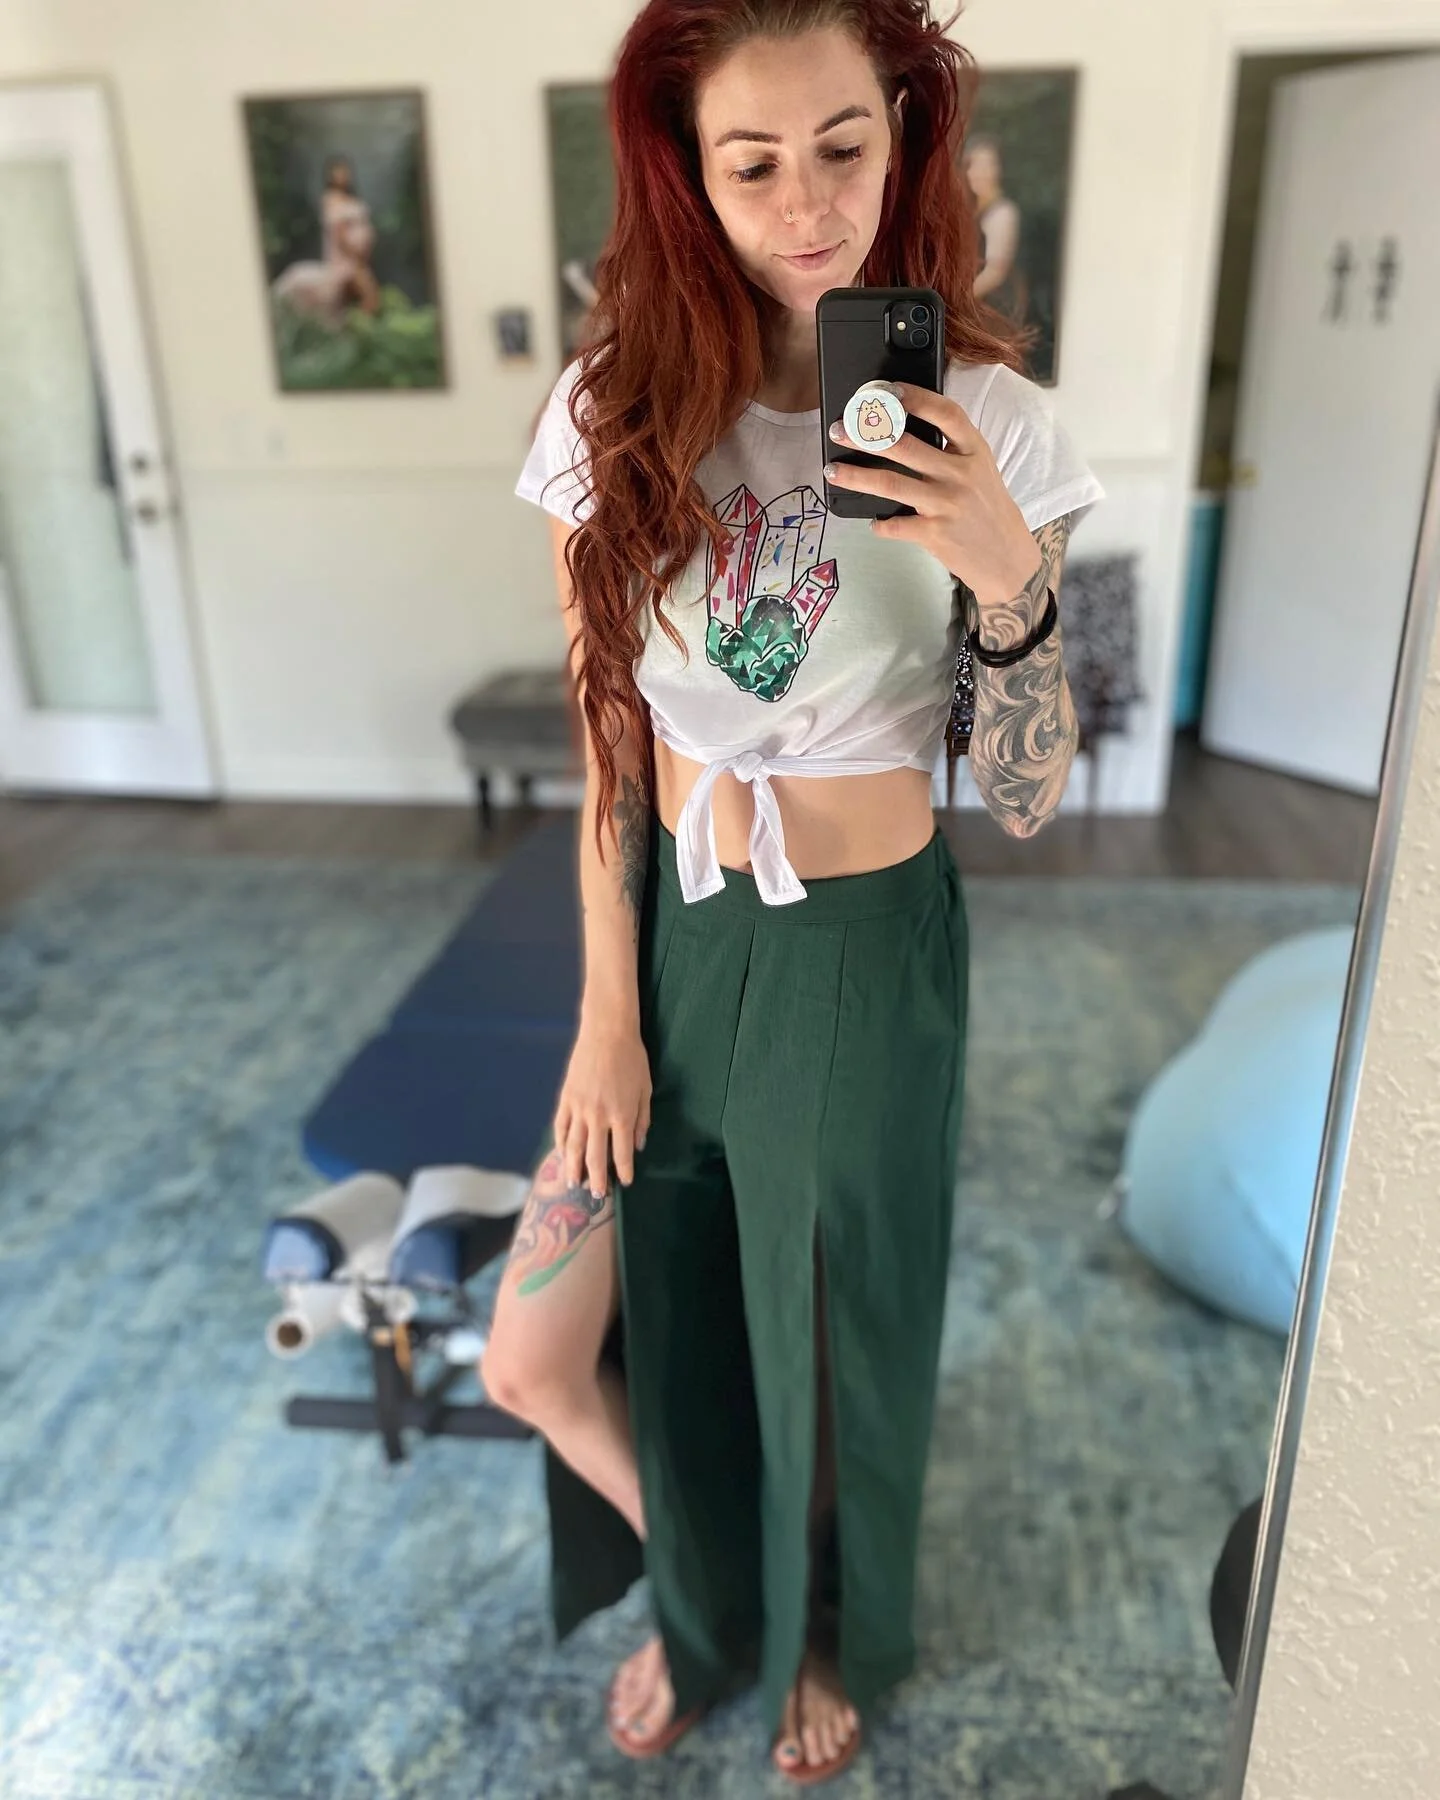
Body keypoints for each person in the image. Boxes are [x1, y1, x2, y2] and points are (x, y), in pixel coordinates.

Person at [490, 0, 1104, 1784]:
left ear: (905, 130)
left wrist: (1008, 579)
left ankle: (818, 1627)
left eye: (844, 146)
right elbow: (612, 742)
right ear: (685, 177)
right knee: (570, 1339)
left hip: (861, 949)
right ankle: (707, 1605)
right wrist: (604, 1021)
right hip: (671, 935)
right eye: (751, 164)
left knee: (828, 1331)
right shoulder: (610, 412)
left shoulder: (996, 423)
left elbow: (1029, 795)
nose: (807, 204)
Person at [272, 156, 380, 325]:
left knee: (361, 298)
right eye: (337, 172)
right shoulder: (331, 199)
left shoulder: (351, 197)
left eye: (344, 171)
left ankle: (355, 328)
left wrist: (366, 248)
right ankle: (359, 329)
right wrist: (353, 252)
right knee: (368, 294)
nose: (342, 175)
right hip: (346, 256)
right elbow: (338, 232)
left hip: (361, 257)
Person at [965, 133, 1029, 324]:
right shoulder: (972, 210)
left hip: (993, 311)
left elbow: (995, 273)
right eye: (974, 165)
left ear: (999, 170)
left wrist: (954, 303)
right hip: (974, 309)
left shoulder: (1002, 212)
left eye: (988, 165)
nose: (980, 172)